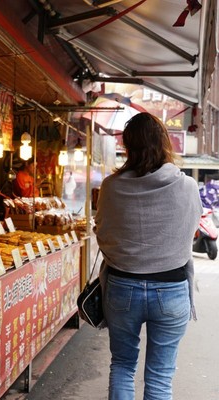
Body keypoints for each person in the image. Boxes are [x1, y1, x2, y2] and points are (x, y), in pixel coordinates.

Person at [94, 112, 202, 400]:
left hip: (122, 288)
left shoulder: (111, 186)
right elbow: (191, 231)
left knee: (122, 365)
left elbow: (102, 234)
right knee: (160, 377)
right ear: (164, 143)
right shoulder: (188, 186)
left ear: (128, 146)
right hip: (172, 289)